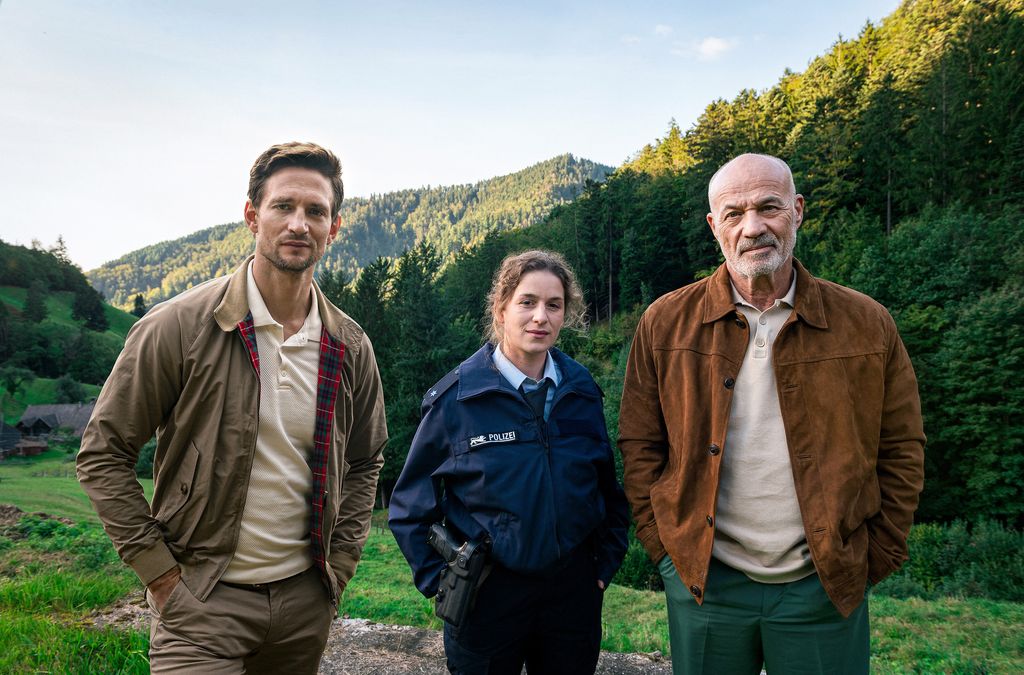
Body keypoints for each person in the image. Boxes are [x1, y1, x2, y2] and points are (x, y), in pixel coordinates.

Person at [77, 142, 388, 673]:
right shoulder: (177, 326)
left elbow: (365, 463)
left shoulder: (350, 345)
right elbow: (103, 454)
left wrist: (337, 568)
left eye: (315, 211)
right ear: (252, 216)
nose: (299, 224)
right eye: (283, 206)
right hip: (200, 602)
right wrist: (162, 578)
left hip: (302, 607)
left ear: (334, 228)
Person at [618, 153, 925, 674]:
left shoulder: (867, 324)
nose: (753, 227)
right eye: (734, 214)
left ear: (798, 211)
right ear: (715, 227)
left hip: (824, 586)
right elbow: (639, 443)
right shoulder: (665, 322)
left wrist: (876, 553)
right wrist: (667, 551)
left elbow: (902, 447)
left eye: (769, 207)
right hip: (706, 583)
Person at [389, 249, 630, 675]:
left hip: (571, 597)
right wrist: (441, 583)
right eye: (527, 302)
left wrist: (602, 567)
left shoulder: (582, 391)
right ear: (501, 309)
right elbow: (410, 507)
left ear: (565, 314)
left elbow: (607, 488)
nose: (541, 316)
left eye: (553, 305)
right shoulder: (456, 400)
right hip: (487, 599)